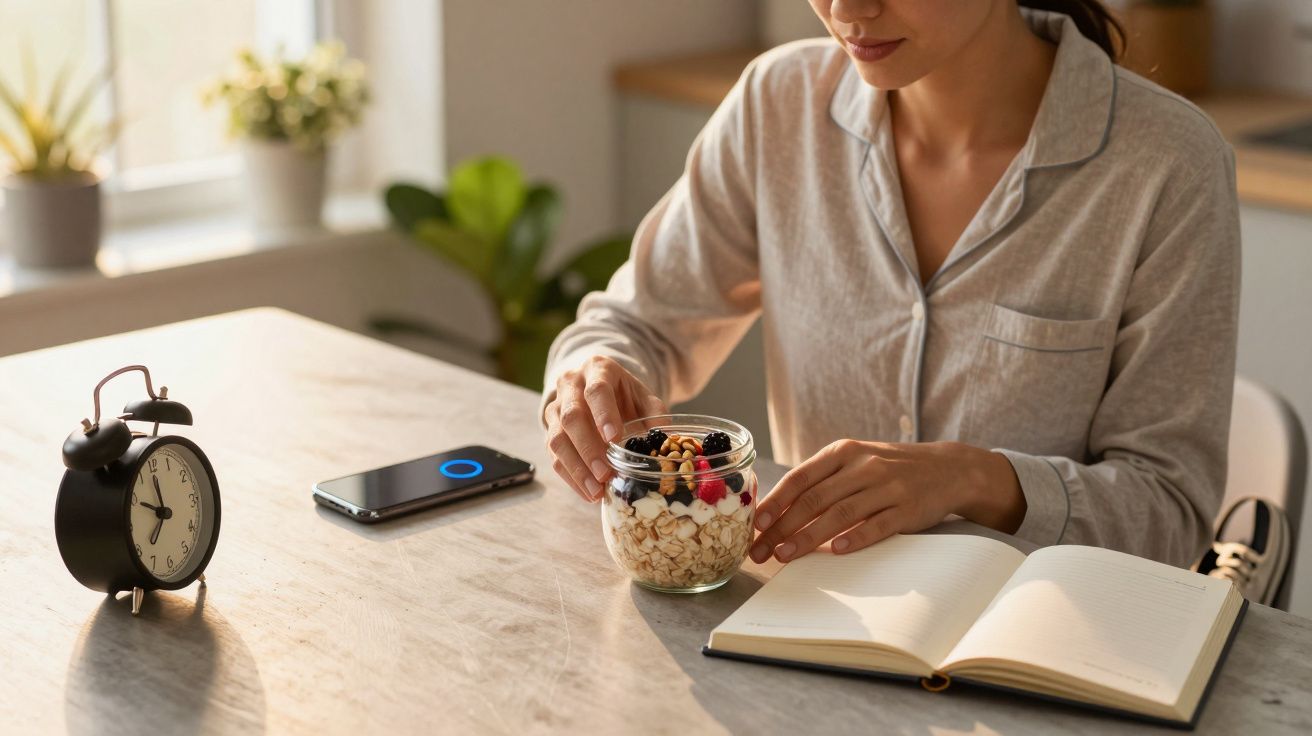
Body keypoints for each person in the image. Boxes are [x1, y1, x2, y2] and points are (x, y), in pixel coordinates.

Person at [540, 0, 1240, 569]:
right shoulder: (778, 106)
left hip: (1042, 666)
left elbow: (1170, 514)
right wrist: (594, 373)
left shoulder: (1167, 164)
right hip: (809, 636)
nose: (847, 9)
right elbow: (635, 326)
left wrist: (975, 479)